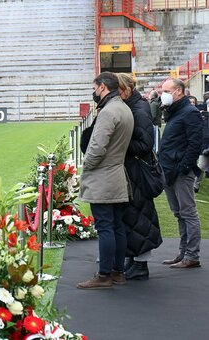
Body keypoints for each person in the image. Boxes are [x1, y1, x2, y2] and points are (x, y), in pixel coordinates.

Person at [77, 72, 134, 290]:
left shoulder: (109, 111)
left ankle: (104, 275)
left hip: (104, 176)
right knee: (117, 226)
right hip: (117, 174)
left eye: (95, 88)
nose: (94, 92)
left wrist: (87, 167)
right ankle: (117, 272)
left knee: (105, 227)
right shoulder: (123, 108)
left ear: (102, 87)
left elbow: (97, 147)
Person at [116, 73, 162, 281]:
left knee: (141, 216)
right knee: (132, 216)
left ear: (126, 89)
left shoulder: (139, 109)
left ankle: (141, 264)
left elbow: (145, 145)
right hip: (131, 171)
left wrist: (120, 143)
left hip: (138, 172)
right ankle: (133, 259)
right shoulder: (132, 107)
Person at [158, 78, 203, 269]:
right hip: (168, 170)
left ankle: (192, 255)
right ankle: (184, 253)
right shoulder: (175, 112)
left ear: (178, 91)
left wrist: (183, 168)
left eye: (166, 90)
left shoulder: (190, 113)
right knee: (179, 213)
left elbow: (195, 144)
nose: (163, 94)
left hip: (180, 172)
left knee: (188, 213)